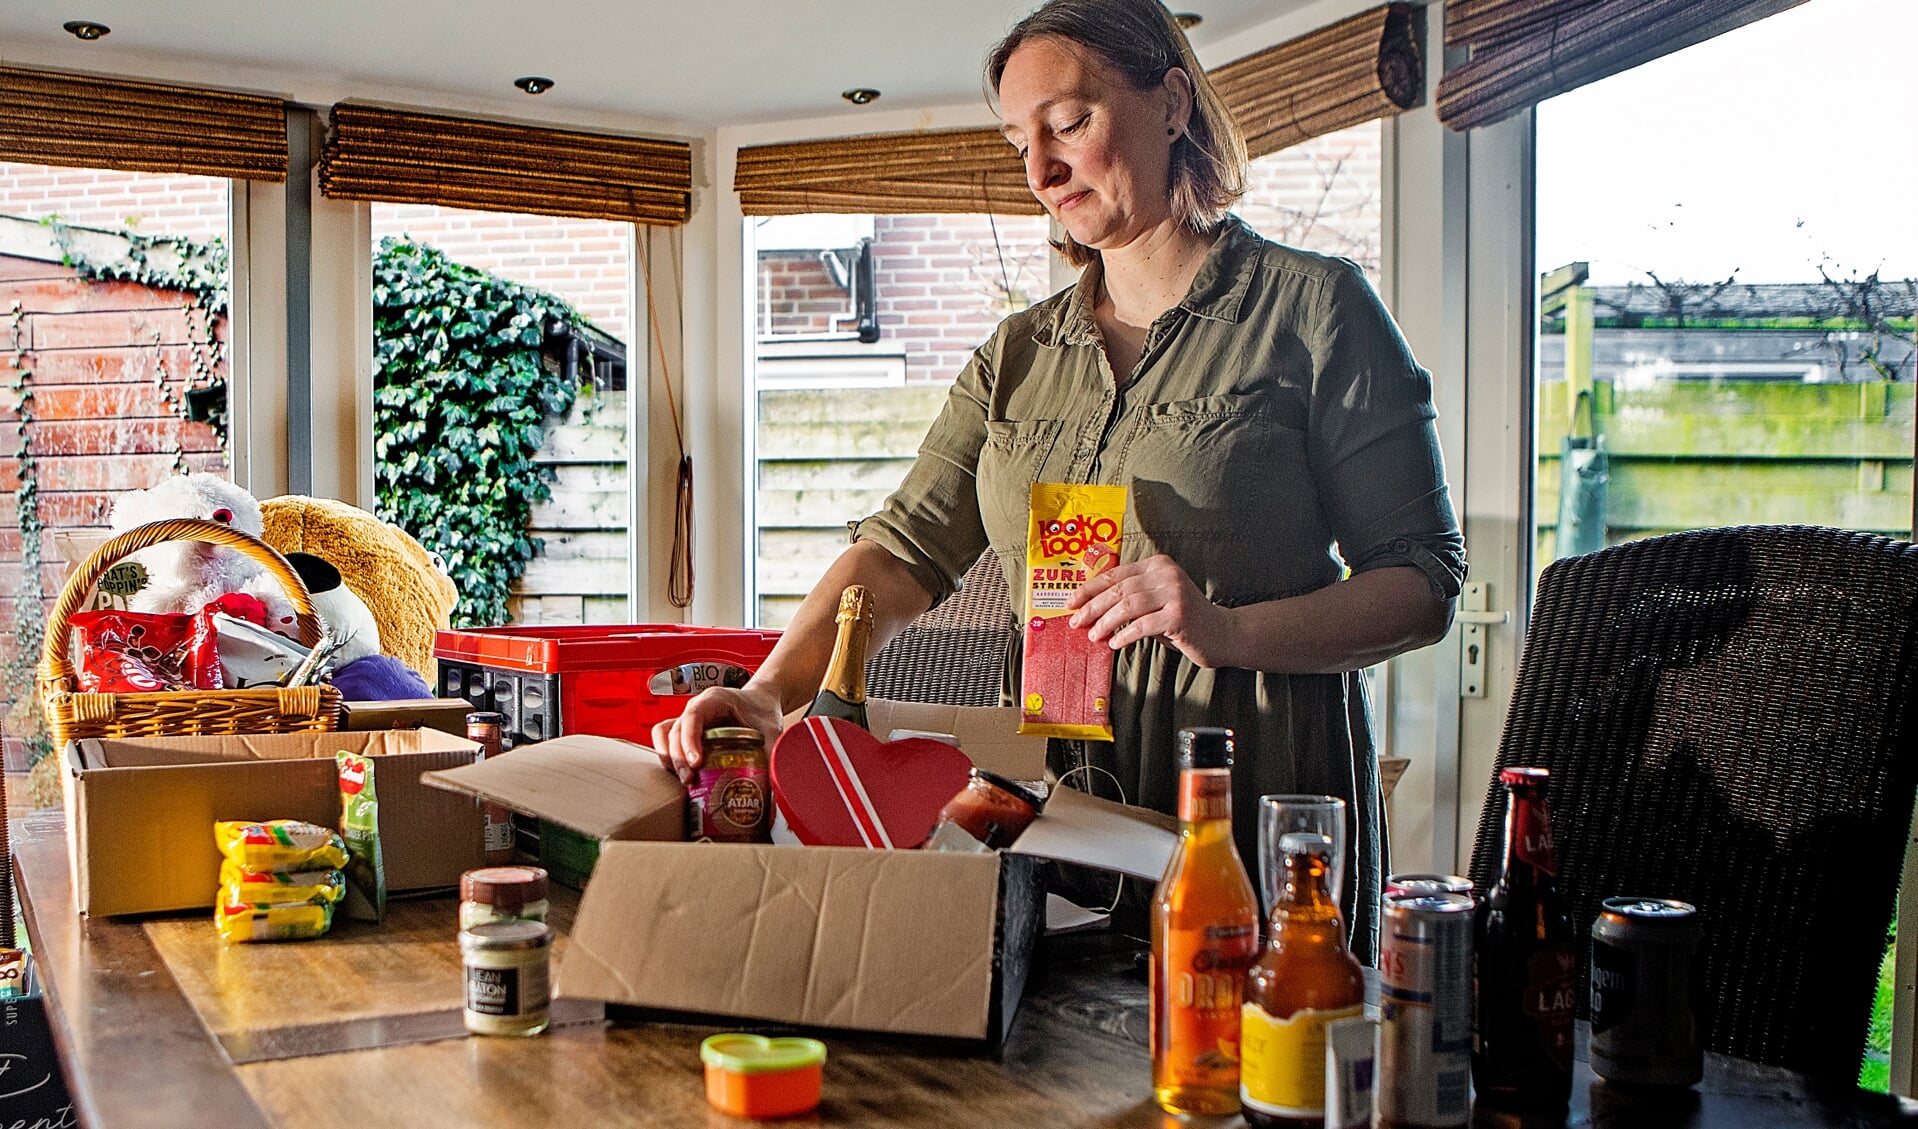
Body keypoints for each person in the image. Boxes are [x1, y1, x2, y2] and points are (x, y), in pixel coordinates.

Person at [655, 0, 1464, 958]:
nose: (1041, 171)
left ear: (1171, 104)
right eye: (1018, 140)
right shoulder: (1017, 354)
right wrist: (767, 693)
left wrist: (1225, 627)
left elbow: (1422, 585)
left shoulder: (1314, 309)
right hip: (1052, 828)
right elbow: (901, 555)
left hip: (1251, 824)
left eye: (1070, 123)